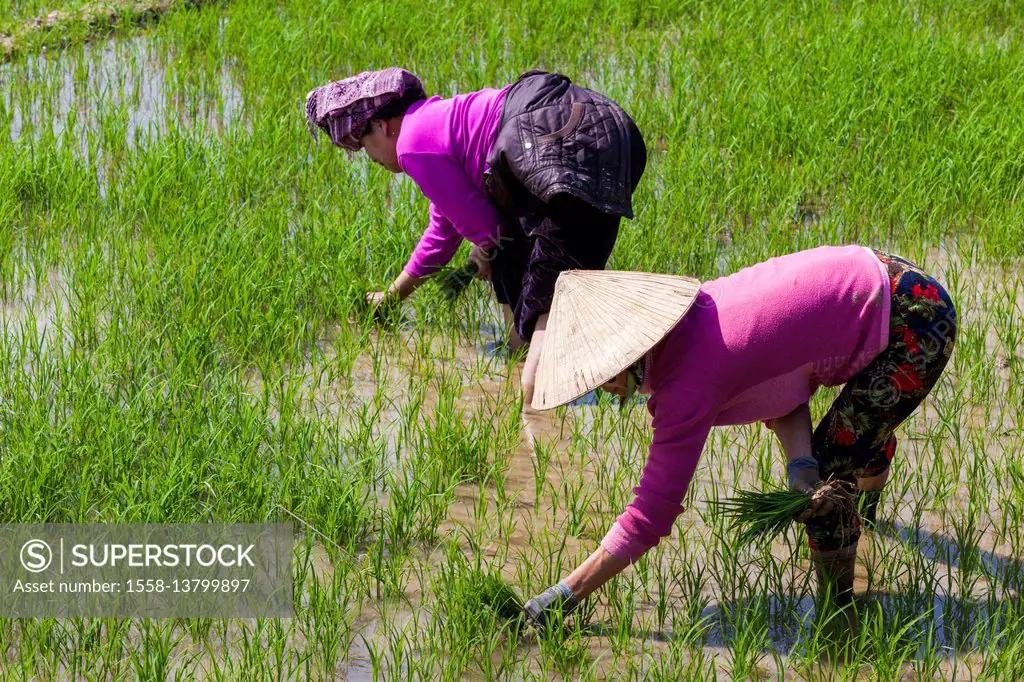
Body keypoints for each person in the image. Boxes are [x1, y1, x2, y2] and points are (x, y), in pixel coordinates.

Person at [521, 245, 957, 625]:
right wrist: (798, 465)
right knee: (851, 434)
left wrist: (565, 595)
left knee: (830, 481)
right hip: (889, 276)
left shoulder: (687, 384)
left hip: (914, 322)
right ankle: (870, 524)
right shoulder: (697, 313)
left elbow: (650, 515)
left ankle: (839, 610)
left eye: (599, 373)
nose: (600, 385)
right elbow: (784, 387)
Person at [305, 67, 647, 404]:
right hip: (610, 133)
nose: (371, 158)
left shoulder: (412, 144)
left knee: (533, 299)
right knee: (572, 285)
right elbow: (442, 234)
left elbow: (492, 232)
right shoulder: (443, 126)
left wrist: (484, 250)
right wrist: (392, 298)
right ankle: (637, 364)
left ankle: (531, 410)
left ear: (383, 126)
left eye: (365, 146)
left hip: (550, 142)